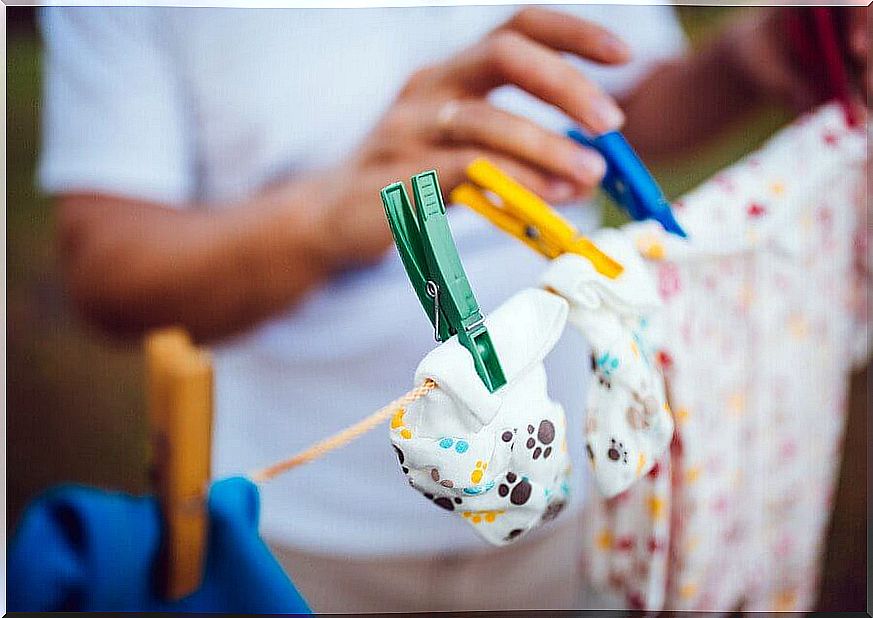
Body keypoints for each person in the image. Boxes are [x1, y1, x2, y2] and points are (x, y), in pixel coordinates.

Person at [39, 5, 869, 613]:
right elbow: (106, 268)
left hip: (583, 494)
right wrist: (322, 218)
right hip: (296, 533)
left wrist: (745, 55)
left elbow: (618, 111)